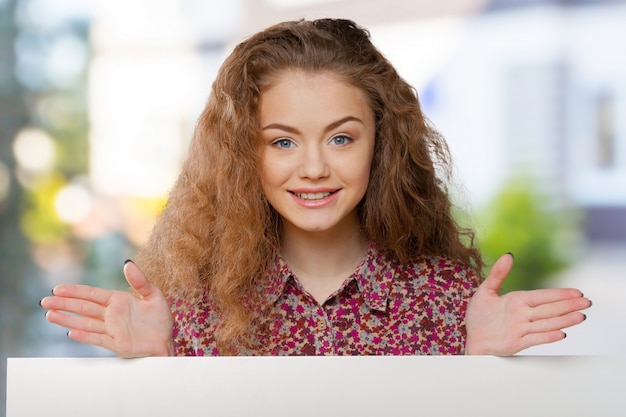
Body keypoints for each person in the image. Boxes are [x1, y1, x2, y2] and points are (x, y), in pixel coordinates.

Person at [40, 18, 591, 357]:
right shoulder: (184, 312)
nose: (313, 169)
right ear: (242, 154)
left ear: (383, 144)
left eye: (341, 139)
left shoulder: (448, 302)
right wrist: (155, 370)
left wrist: (486, 373)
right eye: (282, 142)